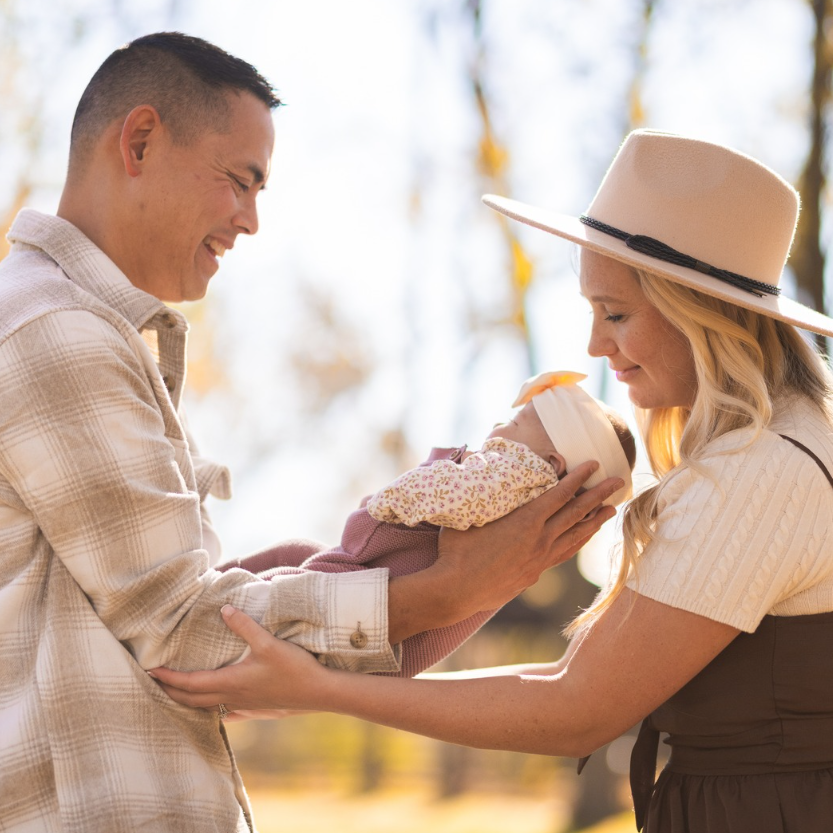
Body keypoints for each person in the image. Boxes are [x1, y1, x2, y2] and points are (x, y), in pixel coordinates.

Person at [0, 32, 622, 833]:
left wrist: (297, 578)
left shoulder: (69, 327)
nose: (251, 220)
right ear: (141, 141)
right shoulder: (59, 334)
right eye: (240, 181)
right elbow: (184, 632)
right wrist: (438, 594)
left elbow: (134, 627)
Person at [153, 129, 833, 833]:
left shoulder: (762, 471)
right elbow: (566, 680)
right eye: (590, 310)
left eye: (617, 313)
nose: (595, 346)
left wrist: (324, 688)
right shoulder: (767, 454)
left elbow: (577, 708)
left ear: (705, 314)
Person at [219, 371, 635, 676]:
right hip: (376, 571)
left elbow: (453, 496)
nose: (496, 428)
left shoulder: (519, 475)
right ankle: (215, 582)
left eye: (515, 424)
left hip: (373, 578)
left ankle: (214, 596)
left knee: (284, 579)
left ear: (552, 463)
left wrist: (392, 501)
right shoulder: (526, 496)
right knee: (293, 554)